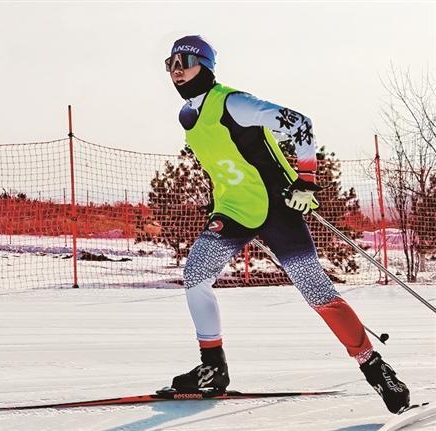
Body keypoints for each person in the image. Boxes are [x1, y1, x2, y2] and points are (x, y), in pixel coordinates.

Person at [163, 35, 410, 414]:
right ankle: (212, 368)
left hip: (278, 208)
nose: (177, 70)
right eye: (171, 63)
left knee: (318, 293)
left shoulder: (233, 103)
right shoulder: (188, 117)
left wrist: (306, 180)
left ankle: (376, 369)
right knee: (196, 274)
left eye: (186, 61)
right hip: (233, 210)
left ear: (207, 67)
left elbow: (300, 124)